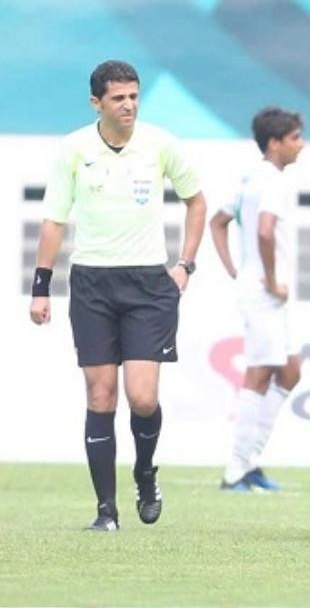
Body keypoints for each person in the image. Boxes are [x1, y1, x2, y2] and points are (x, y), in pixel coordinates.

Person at [30, 60, 206, 531]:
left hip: (149, 285)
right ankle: (106, 511)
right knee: (101, 394)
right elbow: (54, 220)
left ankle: (145, 473)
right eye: (118, 98)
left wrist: (185, 263)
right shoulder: (73, 149)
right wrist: (41, 286)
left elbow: (197, 201)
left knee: (142, 397)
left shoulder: (160, 144)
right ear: (96, 103)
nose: (128, 105)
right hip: (92, 283)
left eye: (133, 96)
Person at [209, 107, 306, 492]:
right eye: (296, 138)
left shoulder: (250, 178)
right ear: (275, 143)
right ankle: (236, 468)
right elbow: (265, 231)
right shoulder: (271, 180)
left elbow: (218, 222)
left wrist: (236, 269)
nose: (301, 145)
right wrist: (268, 278)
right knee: (261, 371)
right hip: (267, 290)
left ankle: (250, 461)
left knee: (290, 370)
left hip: (260, 286)